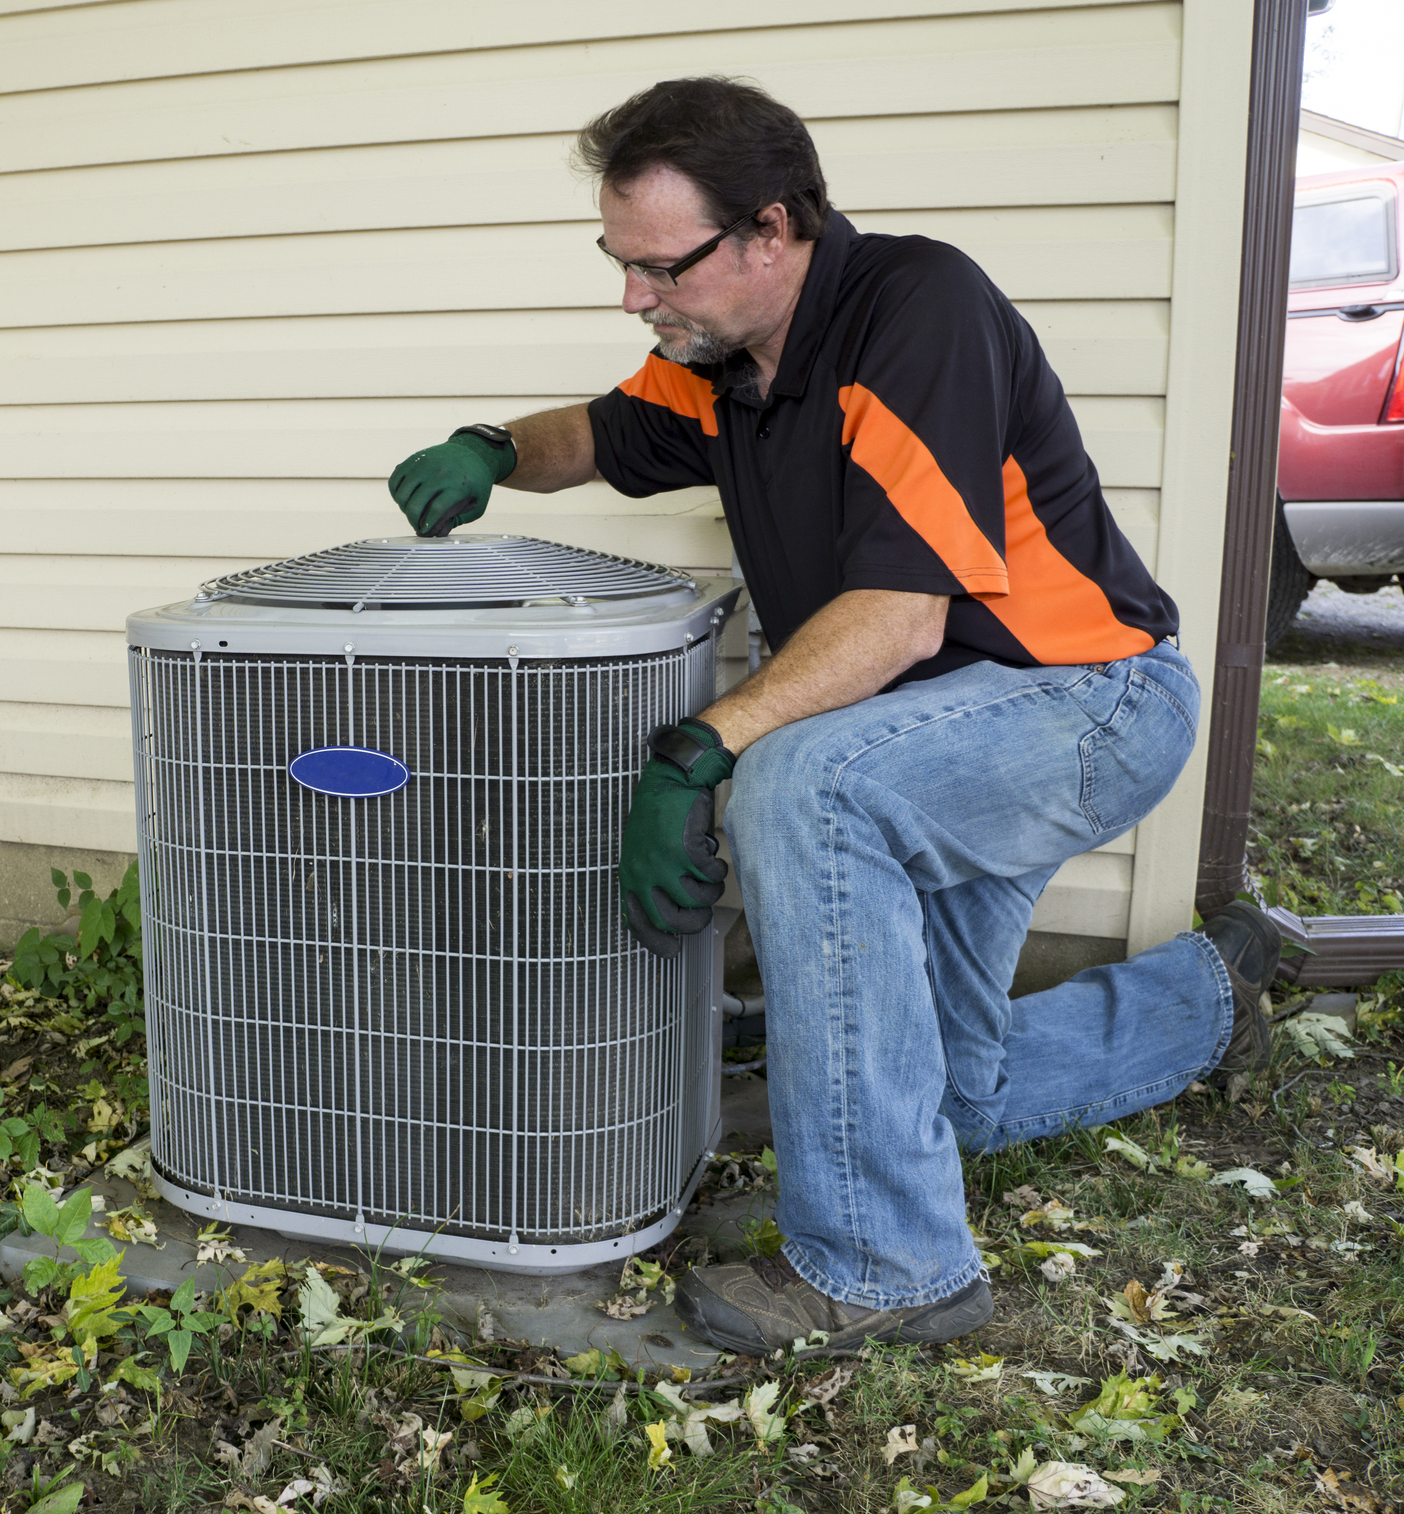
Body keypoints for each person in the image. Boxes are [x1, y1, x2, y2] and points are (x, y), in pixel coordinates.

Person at [385, 77, 1278, 1359]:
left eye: (659, 267)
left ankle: (888, 1264)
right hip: (933, 731)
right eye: (616, 263)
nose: (634, 296)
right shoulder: (728, 360)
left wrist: (697, 749)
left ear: (768, 229)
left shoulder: (915, 310)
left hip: (1081, 701)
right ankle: (1205, 999)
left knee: (802, 783)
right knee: (948, 1087)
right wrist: (487, 446)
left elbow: (901, 617)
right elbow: (593, 431)